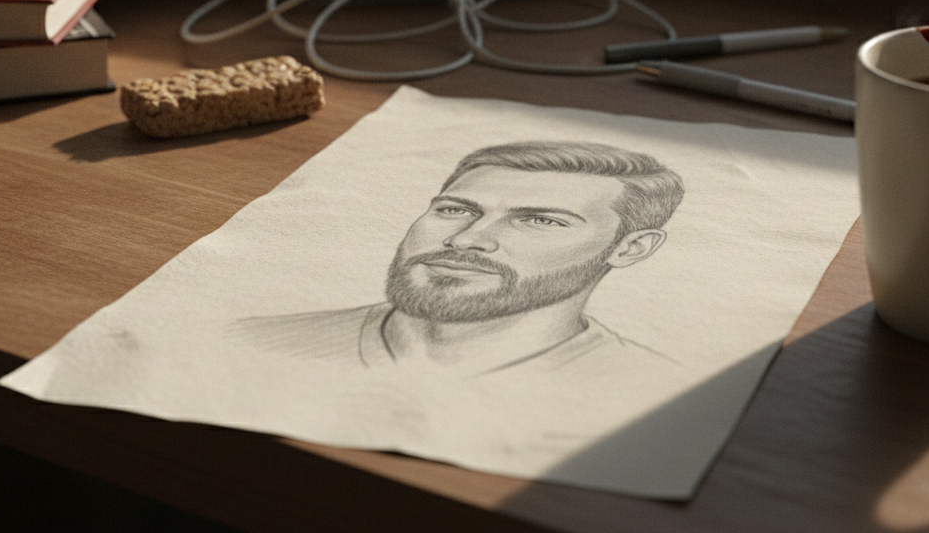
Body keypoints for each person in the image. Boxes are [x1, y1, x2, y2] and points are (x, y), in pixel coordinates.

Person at [230, 141, 687, 381]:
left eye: (541, 221)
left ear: (631, 248)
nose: (468, 240)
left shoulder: (645, 388)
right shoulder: (257, 341)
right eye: (456, 210)